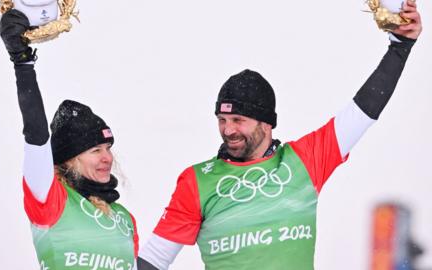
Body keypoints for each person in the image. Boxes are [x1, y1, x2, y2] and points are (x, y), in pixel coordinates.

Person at [137, 1, 422, 269]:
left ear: (266, 123)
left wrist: (400, 47)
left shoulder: (304, 161)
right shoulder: (198, 181)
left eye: (238, 120)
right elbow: (153, 260)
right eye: (222, 120)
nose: (228, 130)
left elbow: (364, 110)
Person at [0, 9, 139, 270]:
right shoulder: (51, 201)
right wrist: (22, 63)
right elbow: (37, 138)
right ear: (69, 159)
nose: (107, 157)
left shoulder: (125, 219)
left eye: (107, 148)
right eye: (95, 150)